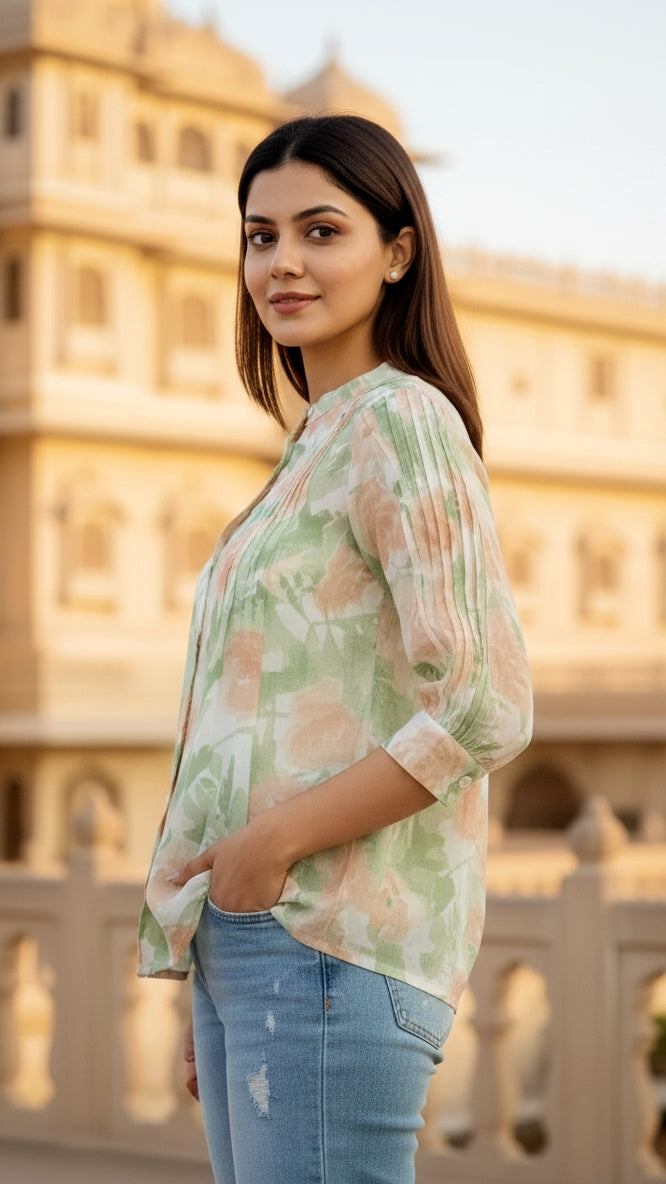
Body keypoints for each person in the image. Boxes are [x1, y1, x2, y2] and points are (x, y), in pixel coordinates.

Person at [138, 114, 532, 1184]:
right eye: (260, 237)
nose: (283, 263)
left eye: (321, 230)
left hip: (329, 935)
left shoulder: (398, 418)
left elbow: (486, 701)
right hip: (263, 943)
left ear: (397, 251)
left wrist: (267, 855)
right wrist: (222, 931)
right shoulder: (316, 445)